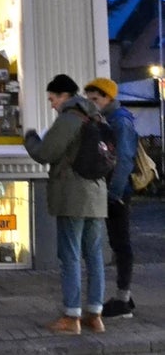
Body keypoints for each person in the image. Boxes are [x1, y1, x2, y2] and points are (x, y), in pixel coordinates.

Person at [23, 74, 107, 335]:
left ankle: (72, 317)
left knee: (70, 255)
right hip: (96, 192)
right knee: (94, 255)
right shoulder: (96, 116)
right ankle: (95, 314)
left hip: (73, 194)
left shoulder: (70, 118)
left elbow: (45, 153)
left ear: (64, 96)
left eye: (52, 99)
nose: (51, 105)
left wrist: (30, 137)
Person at [83, 77, 139, 319]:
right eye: (89, 99)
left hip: (117, 191)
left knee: (120, 243)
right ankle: (124, 295)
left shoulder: (120, 121)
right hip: (109, 189)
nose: (92, 103)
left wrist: (114, 193)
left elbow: (125, 158)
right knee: (117, 242)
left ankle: (123, 299)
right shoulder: (106, 119)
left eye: (96, 99)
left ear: (108, 98)